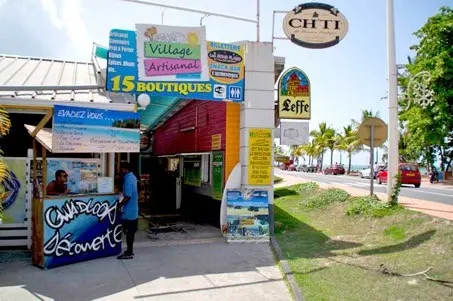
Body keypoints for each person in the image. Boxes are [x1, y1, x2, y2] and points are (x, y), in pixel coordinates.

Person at [117, 162, 138, 260]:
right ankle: (130, 250)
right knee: (130, 232)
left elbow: (128, 196)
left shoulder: (128, 179)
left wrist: (120, 204)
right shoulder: (133, 177)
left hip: (128, 211)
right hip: (133, 210)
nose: (120, 171)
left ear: (125, 169)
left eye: (121, 169)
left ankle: (129, 252)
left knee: (129, 232)